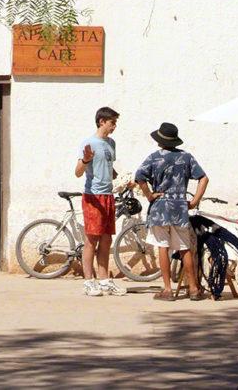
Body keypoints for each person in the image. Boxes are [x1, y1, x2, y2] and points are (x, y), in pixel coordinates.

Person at [134, 122, 210, 301]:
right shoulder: (186, 157)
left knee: (163, 247)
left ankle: (167, 290)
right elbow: (204, 178)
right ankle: (193, 288)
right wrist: (194, 201)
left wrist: (150, 196)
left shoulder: (153, 158)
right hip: (179, 208)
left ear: (159, 140)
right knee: (185, 248)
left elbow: (139, 177)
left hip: (160, 208)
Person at [74, 106, 127, 297]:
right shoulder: (88, 143)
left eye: (115, 123)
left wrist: (123, 180)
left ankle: (104, 281)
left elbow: (109, 169)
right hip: (93, 197)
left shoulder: (111, 143)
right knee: (91, 240)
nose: (114, 127)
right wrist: (86, 159)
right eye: (112, 122)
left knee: (106, 239)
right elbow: (78, 172)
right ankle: (89, 281)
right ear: (102, 121)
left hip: (108, 196)